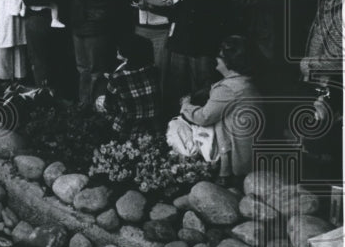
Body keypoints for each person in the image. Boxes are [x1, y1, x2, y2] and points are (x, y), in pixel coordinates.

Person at [178, 35, 263, 181]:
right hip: (248, 149)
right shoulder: (244, 82)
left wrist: (185, 105)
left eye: (220, 56)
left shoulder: (228, 88)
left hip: (235, 153)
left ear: (230, 61)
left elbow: (204, 117)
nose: (216, 59)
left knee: (178, 127)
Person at [97, 32, 161, 136]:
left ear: (126, 54)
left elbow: (108, 106)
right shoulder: (153, 70)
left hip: (128, 127)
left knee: (99, 101)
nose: (117, 51)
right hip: (153, 125)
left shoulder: (116, 78)